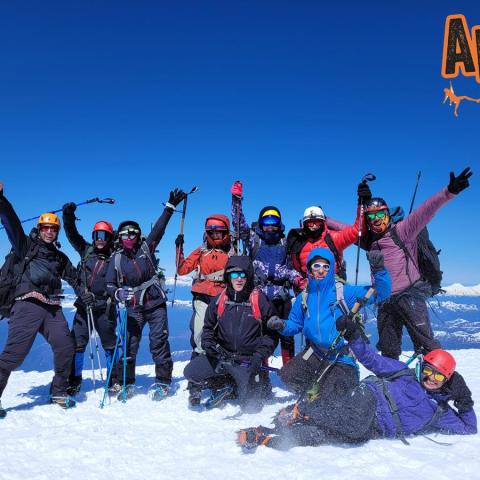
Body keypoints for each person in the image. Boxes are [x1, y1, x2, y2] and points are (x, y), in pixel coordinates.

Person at [238, 315, 476, 451]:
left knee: (334, 434)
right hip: (367, 400)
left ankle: (270, 436)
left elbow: (469, 428)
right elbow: (371, 360)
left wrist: (464, 400)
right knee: (353, 423)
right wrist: (354, 336)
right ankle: (305, 410)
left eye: (437, 376)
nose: (429, 379)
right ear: (420, 367)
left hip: (373, 428)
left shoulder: (440, 412)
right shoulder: (404, 373)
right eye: (427, 370)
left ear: (447, 381)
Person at [327, 167, 473, 360]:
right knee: (389, 349)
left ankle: (444, 385)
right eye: (371, 217)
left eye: (380, 214)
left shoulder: (403, 231)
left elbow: (426, 210)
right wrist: (322, 219)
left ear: (388, 214)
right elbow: (346, 229)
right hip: (384, 299)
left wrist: (449, 192)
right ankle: (393, 386)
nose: (376, 220)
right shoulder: (369, 241)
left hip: (409, 295)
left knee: (427, 345)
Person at [267, 247, 391, 404]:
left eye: (326, 266)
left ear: (331, 268)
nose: (321, 270)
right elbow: (296, 324)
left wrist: (379, 270)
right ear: (310, 268)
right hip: (315, 352)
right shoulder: (304, 296)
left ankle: (337, 385)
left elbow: (381, 293)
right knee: (288, 375)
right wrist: (282, 325)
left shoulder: (344, 292)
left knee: (329, 400)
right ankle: (318, 384)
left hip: (341, 357)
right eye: (316, 266)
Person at [0, 182, 79, 413]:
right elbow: (11, 222)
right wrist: (2, 200)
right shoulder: (25, 246)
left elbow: (74, 278)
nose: (49, 231)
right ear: (39, 228)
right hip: (27, 305)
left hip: (53, 308)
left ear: (56, 232)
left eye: (53, 229)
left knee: (66, 347)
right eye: (45, 227)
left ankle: (59, 391)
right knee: (14, 357)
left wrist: (86, 293)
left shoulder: (60, 257)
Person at [105, 188, 185, 400]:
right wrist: (117, 294)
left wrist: (169, 208)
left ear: (138, 234)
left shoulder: (146, 248)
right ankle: (127, 382)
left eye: (132, 233)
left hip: (155, 303)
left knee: (158, 342)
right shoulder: (116, 259)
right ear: (119, 238)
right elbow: (110, 284)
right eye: (125, 234)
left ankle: (163, 382)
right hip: (133, 307)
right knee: (129, 344)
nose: (129, 237)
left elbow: (159, 229)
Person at [183, 255, 277, 412]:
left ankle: (236, 386)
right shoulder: (220, 300)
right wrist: (210, 346)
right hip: (221, 356)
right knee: (191, 372)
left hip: (247, 360)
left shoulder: (259, 299)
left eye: (243, 275)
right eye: (234, 274)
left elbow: (271, 335)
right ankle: (226, 383)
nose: (238, 279)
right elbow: (207, 329)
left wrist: (258, 356)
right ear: (228, 276)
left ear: (249, 276)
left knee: (251, 408)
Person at [231, 180, 304, 364]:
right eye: (266, 221)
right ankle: (261, 374)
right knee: (261, 336)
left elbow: (294, 265)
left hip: (282, 297)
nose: (270, 226)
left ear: (279, 224)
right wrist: (236, 201)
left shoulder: (286, 242)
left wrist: (298, 279)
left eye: (274, 222)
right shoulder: (254, 240)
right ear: (261, 223)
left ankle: (290, 372)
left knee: (287, 336)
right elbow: (239, 224)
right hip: (260, 297)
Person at [175, 214, 235, 404]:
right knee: (200, 336)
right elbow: (182, 269)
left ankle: (219, 378)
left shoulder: (233, 252)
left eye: (220, 232)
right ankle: (196, 381)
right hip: (202, 298)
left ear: (226, 233)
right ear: (207, 233)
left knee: (222, 339)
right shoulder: (201, 251)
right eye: (212, 232)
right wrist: (179, 248)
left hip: (223, 299)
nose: (216, 235)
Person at [62, 202, 119, 395]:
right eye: (97, 235)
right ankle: (74, 379)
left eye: (104, 236)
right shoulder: (86, 250)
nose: (100, 240)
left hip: (106, 308)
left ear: (110, 237)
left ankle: (114, 379)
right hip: (83, 307)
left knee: (110, 345)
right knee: (76, 344)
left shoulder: (116, 257)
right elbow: (71, 233)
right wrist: (68, 215)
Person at [286, 182, 372, 281]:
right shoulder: (297, 242)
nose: (314, 226)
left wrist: (363, 203)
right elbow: (294, 268)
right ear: (304, 224)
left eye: (317, 222)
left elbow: (357, 230)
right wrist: (300, 283)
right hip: (308, 289)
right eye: (310, 223)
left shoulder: (333, 238)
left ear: (323, 222)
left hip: (332, 287)